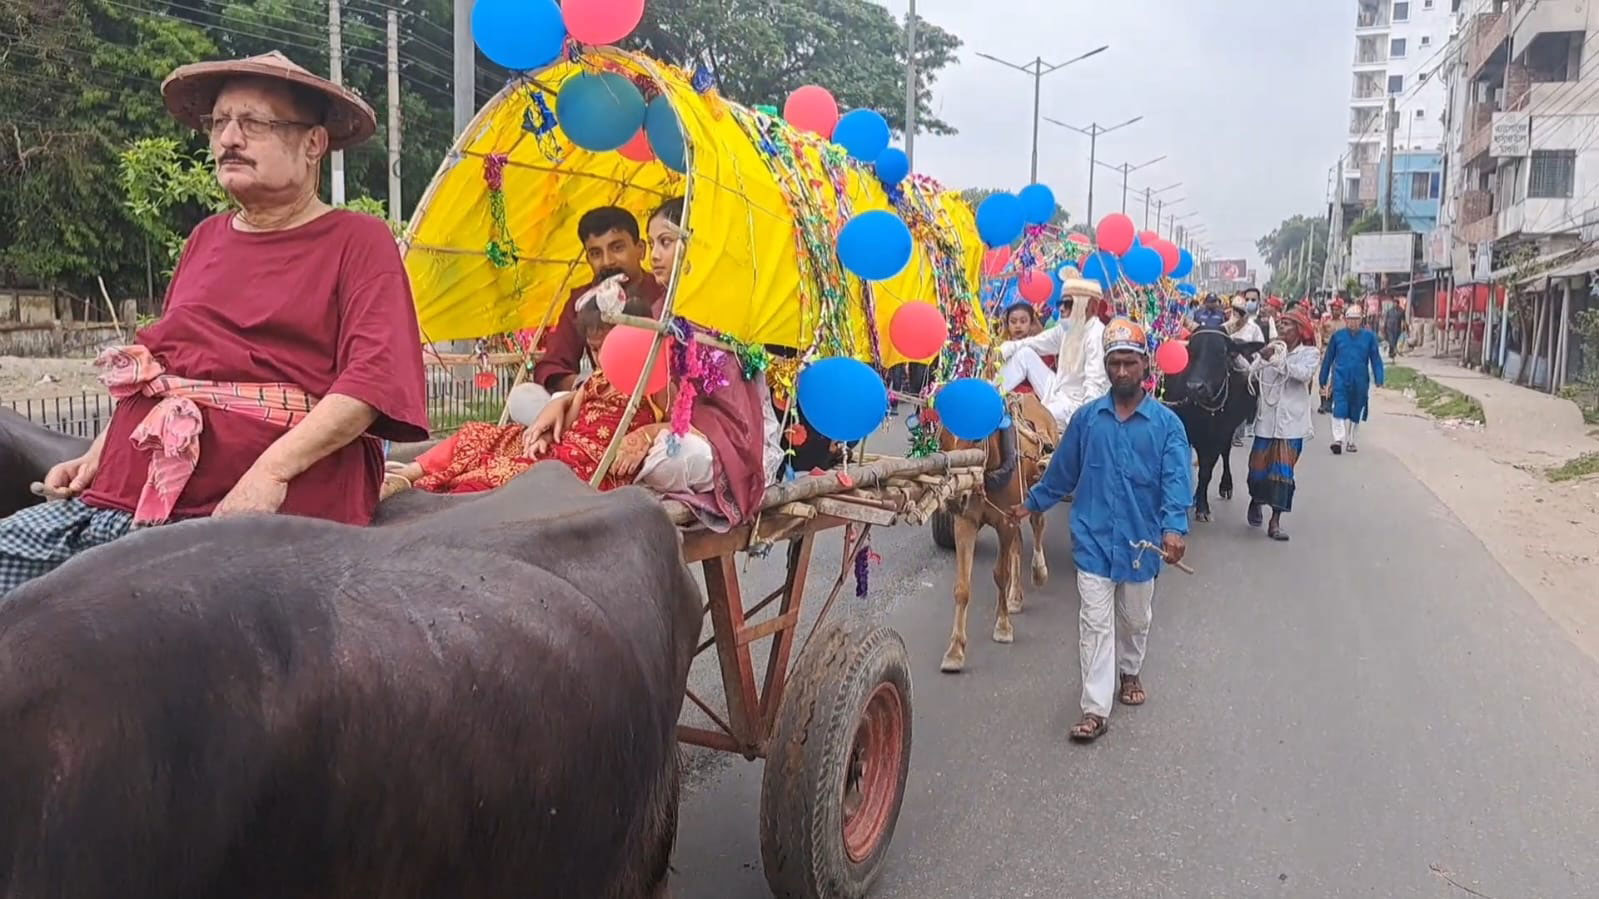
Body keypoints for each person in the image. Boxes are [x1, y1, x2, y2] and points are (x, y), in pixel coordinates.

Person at [0, 51, 428, 598]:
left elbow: (370, 380)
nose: (229, 138)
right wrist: (100, 451)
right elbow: (166, 368)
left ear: (313, 143)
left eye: (253, 123)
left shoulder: (358, 240)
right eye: (219, 123)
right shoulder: (205, 237)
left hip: (244, 507)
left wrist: (268, 476)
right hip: (125, 496)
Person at [1011, 318, 1192, 744]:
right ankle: (1095, 709)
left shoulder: (1167, 426)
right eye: (1115, 364)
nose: (1123, 372)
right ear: (1107, 367)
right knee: (1095, 622)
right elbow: (1062, 471)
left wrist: (1174, 529)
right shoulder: (1088, 420)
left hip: (1142, 544)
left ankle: (1130, 670)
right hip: (1092, 538)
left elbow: (1177, 482)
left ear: (1145, 367)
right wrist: (1032, 502)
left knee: (1135, 619)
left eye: (1130, 363)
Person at [382, 286, 667, 496]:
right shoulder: (595, 381)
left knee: (489, 481)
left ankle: (430, 487)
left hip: (589, 471)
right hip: (563, 451)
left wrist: (645, 434)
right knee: (479, 436)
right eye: (593, 349)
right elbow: (565, 427)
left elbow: (685, 426)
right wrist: (543, 435)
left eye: (608, 344)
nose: (601, 356)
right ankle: (407, 475)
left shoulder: (654, 384)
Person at [530, 205, 665, 393]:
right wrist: (590, 389)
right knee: (525, 395)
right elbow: (552, 366)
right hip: (595, 400)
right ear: (588, 259)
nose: (607, 261)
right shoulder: (582, 299)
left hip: (656, 397)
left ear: (640, 250)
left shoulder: (663, 291)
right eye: (596, 254)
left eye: (617, 248)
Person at [995, 269, 1108, 433]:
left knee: (1035, 417)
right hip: (1058, 390)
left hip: (1076, 407)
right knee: (1025, 354)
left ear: (1089, 306)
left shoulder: (1096, 335)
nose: (1061, 309)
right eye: (1060, 303)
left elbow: (1094, 387)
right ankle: (989, 395)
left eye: (1068, 304)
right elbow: (1035, 343)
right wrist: (1002, 350)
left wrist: (1085, 424)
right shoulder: (1067, 328)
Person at [1246, 309, 1319, 541]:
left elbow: (1302, 375)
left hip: (1292, 425)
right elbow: (1251, 372)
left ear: (1299, 329)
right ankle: (1256, 500)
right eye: (1280, 323)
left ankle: (1275, 521)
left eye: (1287, 324)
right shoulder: (1271, 350)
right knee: (1257, 472)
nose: (1282, 327)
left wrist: (1275, 360)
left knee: (1283, 474)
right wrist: (1261, 356)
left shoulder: (1310, 353)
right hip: (1266, 421)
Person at [1319, 304, 1385, 455]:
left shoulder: (1369, 337)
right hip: (1341, 377)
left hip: (1360, 379)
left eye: (1356, 319)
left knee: (1356, 410)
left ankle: (1351, 440)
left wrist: (1379, 377)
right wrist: (1323, 378)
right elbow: (1329, 358)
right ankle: (1338, 440)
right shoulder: (1338, 337)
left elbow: (1375, 358)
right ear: (1346, 320)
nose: (1353, 322)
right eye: (1350, 319)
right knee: (1339, 408)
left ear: (1361, 320)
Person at [1000, 301, 1056, 395]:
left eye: (1023, 321)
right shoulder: (999, 350)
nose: (1018, 326)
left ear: (1031, 324)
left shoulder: (1040, 348)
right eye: (1013, 322)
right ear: (1007, 325)